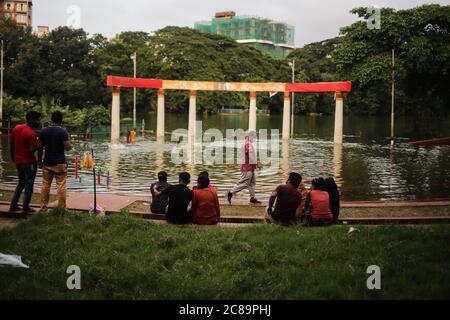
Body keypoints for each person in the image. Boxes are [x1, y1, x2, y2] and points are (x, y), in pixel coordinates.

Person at [38, 111, 72, 210]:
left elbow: (39, 147)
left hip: (47, 162)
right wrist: (70, 144)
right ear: (61, 120)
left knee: (45, 184)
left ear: (51, 119)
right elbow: (67, 148)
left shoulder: (43, 131)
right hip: (60, 163)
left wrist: (39, 161)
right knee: (61, 185)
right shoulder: (63, 132)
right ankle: (61, 208)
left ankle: (43, 207)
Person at [9, 111, 42, 214]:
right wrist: (38, 145)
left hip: (18, 161)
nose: (39, 121)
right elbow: (32, 150)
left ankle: (13, 205)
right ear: (32, 120)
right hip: (29, 163)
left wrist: (13, 157)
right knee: (29, 185)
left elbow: (12, 144)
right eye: (38, 119)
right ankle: (25, 206)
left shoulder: (16, 128)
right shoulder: (31, 133)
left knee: (20, 184)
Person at [227, 130, 262, 205]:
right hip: (247, 168)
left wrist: (255, 163)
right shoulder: (248, 144)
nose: (254, 138)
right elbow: (250, 156)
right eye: (254, 136)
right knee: (245, 183)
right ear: (250, 136)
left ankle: (252, 198)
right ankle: (230, 192)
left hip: (250, 167)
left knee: (252, 183)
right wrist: (257, 163)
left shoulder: (246, 143)